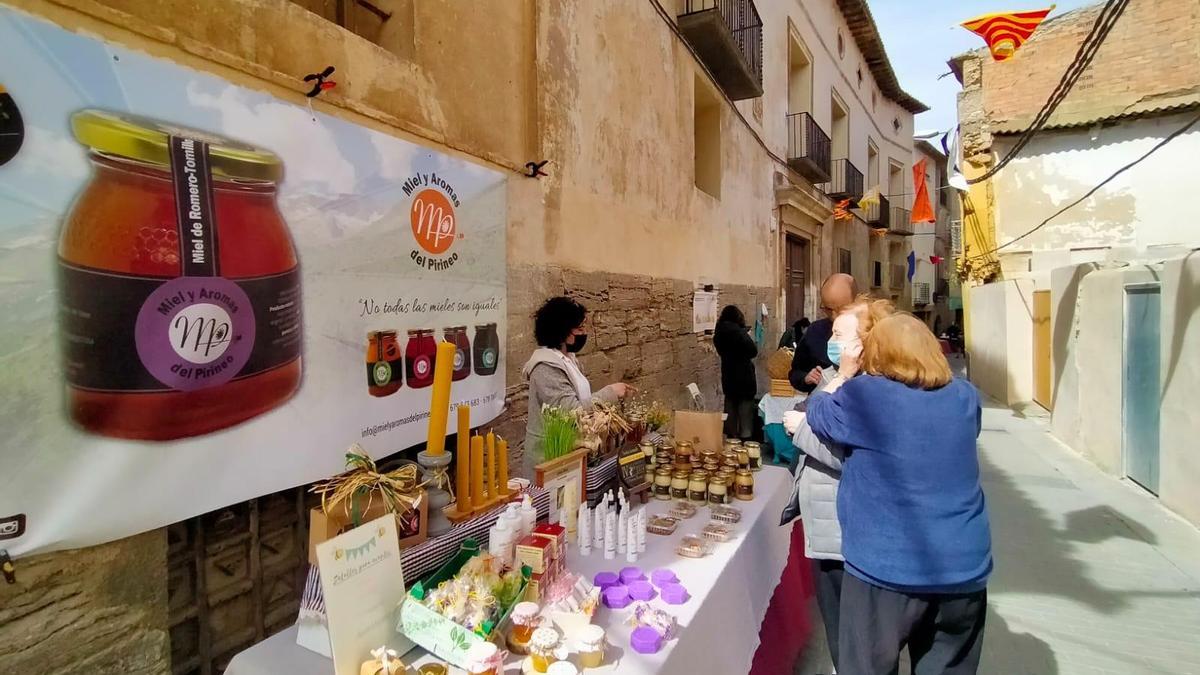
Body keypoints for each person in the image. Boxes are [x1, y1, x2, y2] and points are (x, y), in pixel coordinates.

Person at [803, 313, 992, 675]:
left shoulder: (865, 395)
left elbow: (819, 411)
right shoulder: (965, 397)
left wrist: (843, 374)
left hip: (885, 570)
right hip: (964, 570)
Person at [781, 297, 893, 674]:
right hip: (827, 523)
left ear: (866, 341)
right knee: (840, 630)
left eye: (841, 334)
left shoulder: (870, 389)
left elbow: (858, 461)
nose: (832, 340)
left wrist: (802, 433)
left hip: (844, 528)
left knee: (854, 638)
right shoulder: (836, 376)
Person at [521, 297, 633, 476]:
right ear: (563, 332)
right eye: (580, 329)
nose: (584, 333)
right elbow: (572, 411)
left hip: (572, 453)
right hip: (550, 459)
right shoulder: (545, 367)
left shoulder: (569, 360)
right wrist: (611, 393)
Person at [789, 274, 858, 393]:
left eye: (841, 309)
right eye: (829, 309)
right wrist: (806, 378)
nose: (835, 316)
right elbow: (795, 372)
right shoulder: (815, 331)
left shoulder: (873, 333)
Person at [713, 304, 758, 440]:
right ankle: (745, 439)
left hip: (728, 374)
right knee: (745, 410)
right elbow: (753, 351)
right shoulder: (739, 333)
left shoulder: (719, 333)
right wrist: (746, 334)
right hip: (744, 376)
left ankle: (731, 438)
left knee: (730, 406)